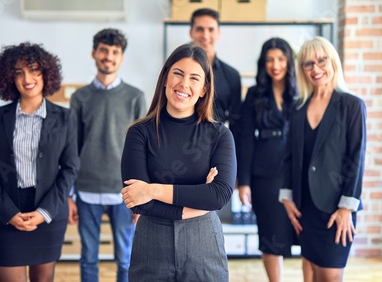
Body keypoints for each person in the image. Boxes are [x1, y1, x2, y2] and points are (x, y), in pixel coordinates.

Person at [120, 43, 237, 281]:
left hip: (203, 242)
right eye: (178, 74)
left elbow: (219, 195)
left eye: (194, 78)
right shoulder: (139, 133)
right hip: (152, 242)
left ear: (204, 89)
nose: (184, 84)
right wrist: (198, 199)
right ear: (165, 79)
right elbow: (137, 202)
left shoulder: (219, 135)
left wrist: (152, 189)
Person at [0, 42, 79, 282]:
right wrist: (9, 212)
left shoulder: (65, 117)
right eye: (19, 72)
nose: (27, 78)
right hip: (6, 211)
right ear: (9, 78)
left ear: (46, 73)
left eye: (34, 70)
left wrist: (44, 212)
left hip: (48, 210)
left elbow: (70, 169)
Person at [279, 36, 367, 282]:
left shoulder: (351, 105)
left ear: (333, 61)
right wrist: (287, 198)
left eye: (321, 60)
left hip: (335, 208)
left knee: (329, 275)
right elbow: (289, 157)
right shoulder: (298, 109)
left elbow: (356, 158)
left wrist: (346, 207)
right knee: (312, 272)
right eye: (308, 64)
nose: (315, 69)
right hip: (304, 206)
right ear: (302, 69)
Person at [68, 28, 146, 282]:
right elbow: (71, 146)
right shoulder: (80, 97)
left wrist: (141, 197)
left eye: (115, 52)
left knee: (126, 259)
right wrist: (70, 194)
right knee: (88, 258)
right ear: (94, 53)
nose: (108, 57)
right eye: (104, 50)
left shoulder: (135, 97)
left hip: (123, 192)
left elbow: (143, 149)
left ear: (121, 58)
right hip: (86, 189)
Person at [237, 37, 298, 282]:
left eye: (281, 59)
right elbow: (245, 139)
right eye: (270, 59)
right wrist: (244, 182)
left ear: (289, 61)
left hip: (297, 168)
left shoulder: (302, 91)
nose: (275, 64)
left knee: (302, 234)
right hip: (264, 172)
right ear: (263, 63)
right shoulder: (254, 94)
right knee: (271, 235)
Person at [189, 8, 242, 134]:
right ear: (191, 32)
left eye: (211, 30)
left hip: (217, 144)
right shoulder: (177, 71)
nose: (205, 36)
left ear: (218, 33)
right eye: (200, 29)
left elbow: (237, 121)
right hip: (180, 140)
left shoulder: (232, 76)